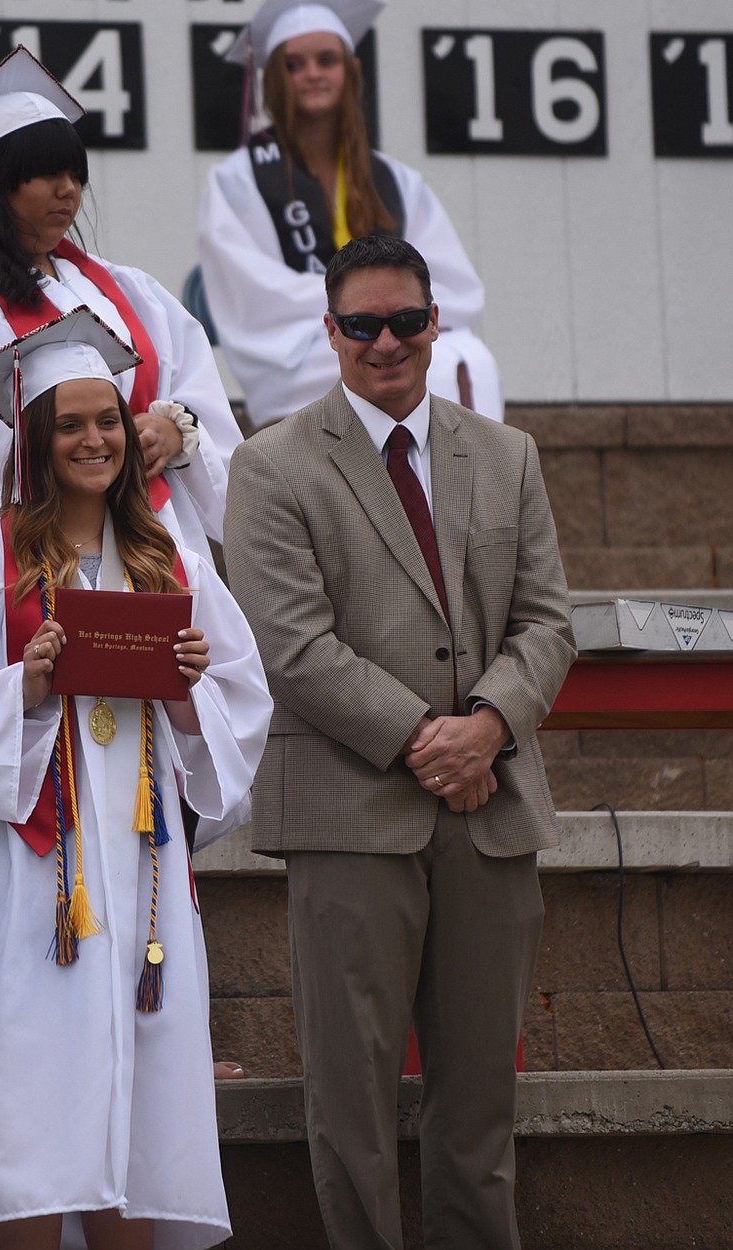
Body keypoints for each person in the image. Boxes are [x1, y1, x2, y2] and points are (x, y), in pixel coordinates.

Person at [222, 234, 574, 1250]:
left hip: (491, 809)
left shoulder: (506, 455)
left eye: (407, 321)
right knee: (354, 1105)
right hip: (350, 813)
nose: (388, 343)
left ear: (436, 324)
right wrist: (428, 739)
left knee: (481, 1102)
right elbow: (290, 643)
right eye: (364, 324)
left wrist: (491, 726)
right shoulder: (272, 464)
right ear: (329, 331)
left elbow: (548, 620)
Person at [0, 312, 272, 1249]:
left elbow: (240, 703)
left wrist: (187, 692)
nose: (96, 439)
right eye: (71, 424)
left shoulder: (171, 564)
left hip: (141, 883)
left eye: (110, 419)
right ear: (35, 441)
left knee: (136, 1117)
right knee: (27, 1104)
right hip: (27, 883)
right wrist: (26, 682)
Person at [0, 45, 243, 622]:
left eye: (75, 175)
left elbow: (195, 392)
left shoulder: (126, 289)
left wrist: (171, 431)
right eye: (45, 174)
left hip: (148, 545)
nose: (68, 191)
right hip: (20, 567)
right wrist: (88, 454)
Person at [199, 0, 503, 428]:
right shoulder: (240, 179)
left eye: (326, 60)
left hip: (386, 336)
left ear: (351, 69)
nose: (313, 74)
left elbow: (457, 287)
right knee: (436, 363)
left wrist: (386, 317)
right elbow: (254, 295)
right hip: (302, 350)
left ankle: (469, 491)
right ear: (274, 78)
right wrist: (366, 311)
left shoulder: (395, 179)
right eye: (295, 65)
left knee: (471, 356)